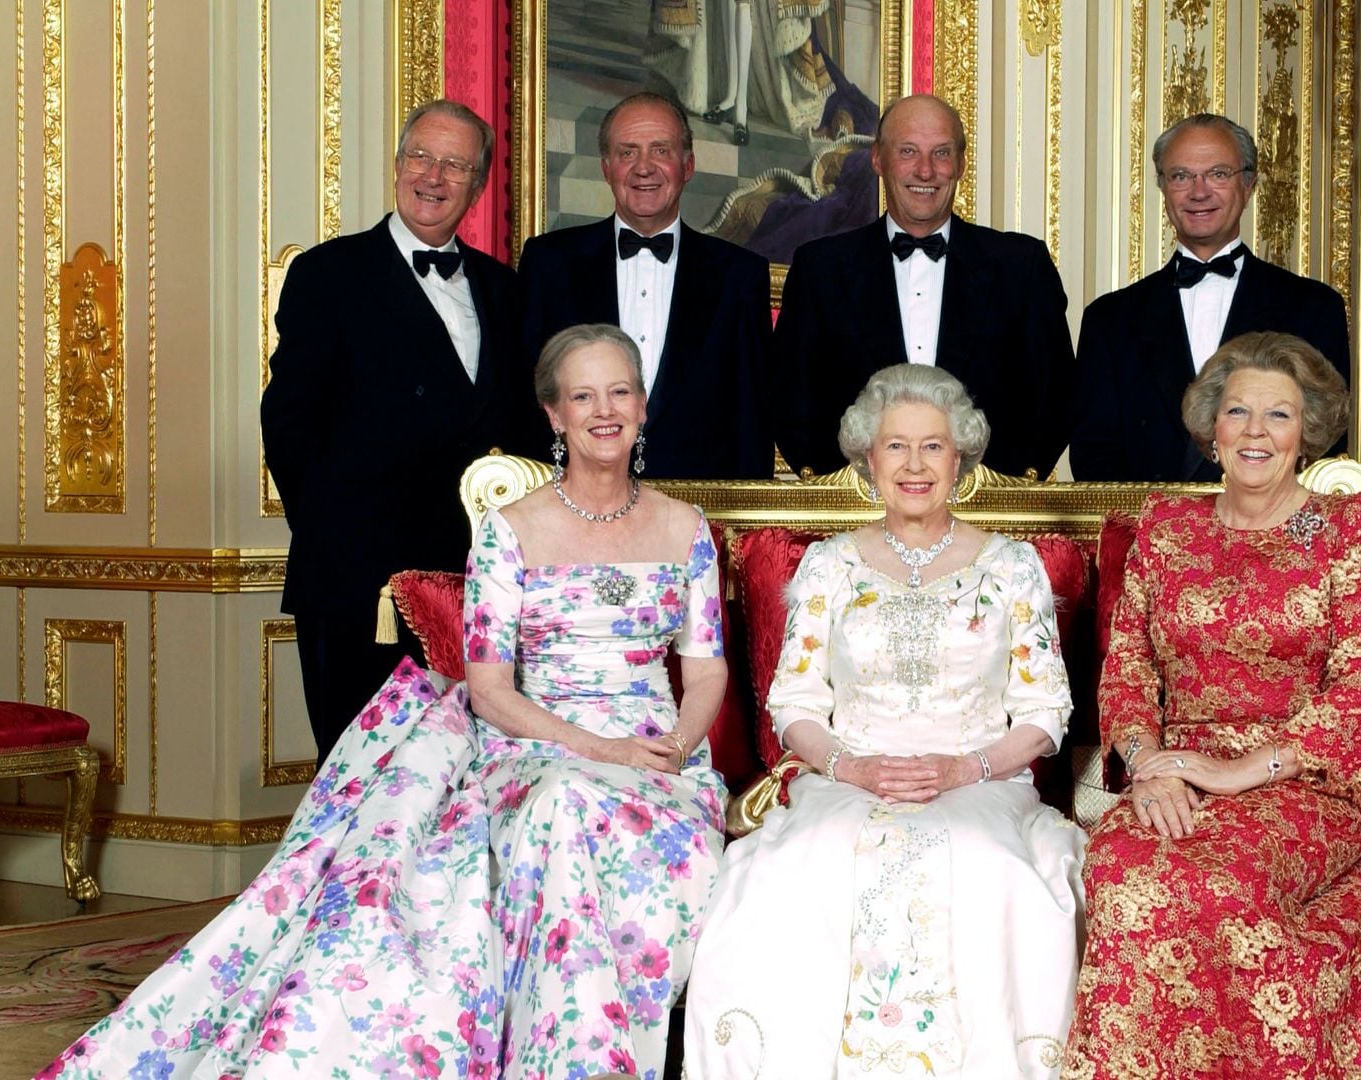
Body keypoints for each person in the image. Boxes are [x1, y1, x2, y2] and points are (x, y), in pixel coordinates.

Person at [46, 326, 730, 1080]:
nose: (605, 411)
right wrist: (599, 752)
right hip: (539, 750)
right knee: (561, 808)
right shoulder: (512, 530)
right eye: (583, 396)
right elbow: (492, 690)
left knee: (595, 815)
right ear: (553, 416)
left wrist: (671, 751)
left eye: (620, 392)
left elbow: (704, 675)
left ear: (643, 404)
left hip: (661, 761)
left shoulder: (685, 527)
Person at [1062, 332, 1361, 1079]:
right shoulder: (1169, 529)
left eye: (1279, 416)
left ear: (1308, 433)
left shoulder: (1343, 534)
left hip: (1306, 775)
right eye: (1238, 412)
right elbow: (1126, 664)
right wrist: (1147, 767)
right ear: (1212, 428)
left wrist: (1237, 773)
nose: (1256, 433)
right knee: (1123, 865)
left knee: (1213, 883)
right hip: (1175, 767)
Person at [684, 364, 1085, 1077]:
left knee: (992, 870)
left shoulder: (1013, 566)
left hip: (979, 778)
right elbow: (796, 704)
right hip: (848, 775)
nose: (914, 464)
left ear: (960, 458)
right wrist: (851, 766)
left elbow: (1045, 711)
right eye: (896, 446)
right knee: (803, 869)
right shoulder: (829, 566)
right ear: (867, 459)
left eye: (933, 447)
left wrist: (968, 767)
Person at [261, 99, 538, 769]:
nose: (433, 176)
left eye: (455, 165)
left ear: (477, 185)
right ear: (396, 167)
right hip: (359, 584)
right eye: (421, 157)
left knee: (469, 776)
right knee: (362, 780)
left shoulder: (506, 290)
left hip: (478, 586)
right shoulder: (329, 276)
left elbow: (525, 431)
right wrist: (338, 534)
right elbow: (286, 421)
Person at [770, 95, 1076, 480]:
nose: (926, 171)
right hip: (856, 514)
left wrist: (1000, 486)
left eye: (942, 153)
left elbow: (1056, 397)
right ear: (878, 160)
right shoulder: (820, 268)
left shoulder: (1022, 266)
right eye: (908, 152)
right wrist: (846, 487)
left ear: (961, 164)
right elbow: (789, 399)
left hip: (988, 512)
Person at [1070, 114, 1350, 482]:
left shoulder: (1314, 307)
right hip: (1148, 531)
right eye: (1181, 176)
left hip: (1271, 534)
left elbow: (1324, 445)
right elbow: (1094, 457)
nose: (1198, 192)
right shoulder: (1109, 319)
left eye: (1218, 174)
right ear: (1164, 189)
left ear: (1248, 186)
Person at [518, 92, 773, 479]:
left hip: (698, 513)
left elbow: (752, 418)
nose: (643, 168)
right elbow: (526, 398)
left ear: (687, 165)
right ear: (606, 168)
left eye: (660, 151)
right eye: (627, 153)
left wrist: (749, 528)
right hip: (572, 511)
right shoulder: (548, 263)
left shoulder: (740, 275)